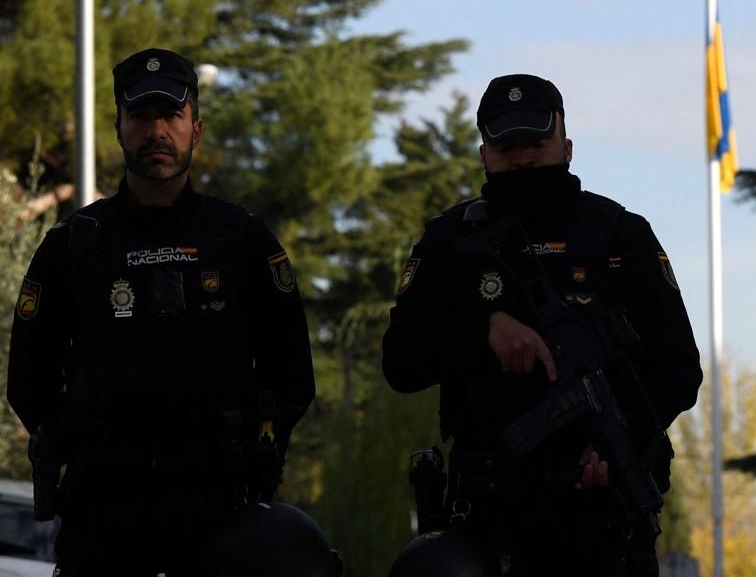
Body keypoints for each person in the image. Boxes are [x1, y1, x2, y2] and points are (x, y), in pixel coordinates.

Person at [7, 48, 317, 575]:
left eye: (171, 115)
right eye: (140, 116)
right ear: (119, 129)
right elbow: (27, 381)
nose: (157, 131)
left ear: (195, 129)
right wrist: (85, 441)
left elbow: (293, 377)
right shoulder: (73, 246)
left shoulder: (241, 240)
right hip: (104, 513)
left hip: (220, 510)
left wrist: (257, 455)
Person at [383, 74, 703, 576]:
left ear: (567, 146)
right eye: (507, 146)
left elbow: (680, 369)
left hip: (601, 513)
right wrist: (482, 332)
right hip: (490, 513)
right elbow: (401, 361)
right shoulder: (448, 240)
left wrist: (618, 441)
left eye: (536, 143)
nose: (523, 158)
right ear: (485, 153)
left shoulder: (620, 235)